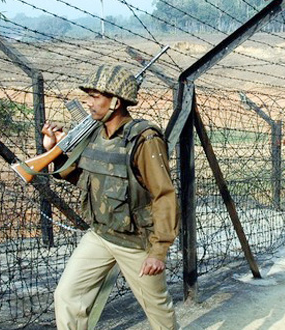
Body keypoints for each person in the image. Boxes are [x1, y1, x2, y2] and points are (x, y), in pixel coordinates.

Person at [43, 64, 180, 329]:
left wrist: (158, 251)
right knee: (67, 297)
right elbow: (83, 178)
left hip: (136, 243)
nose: (88, 102)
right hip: (101, 235)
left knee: (158, 311)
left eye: (95, 97)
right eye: (89, 96)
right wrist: (55, 151)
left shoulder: (144, 139)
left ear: (116, 102)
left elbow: (164, 195)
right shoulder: (95, 133)